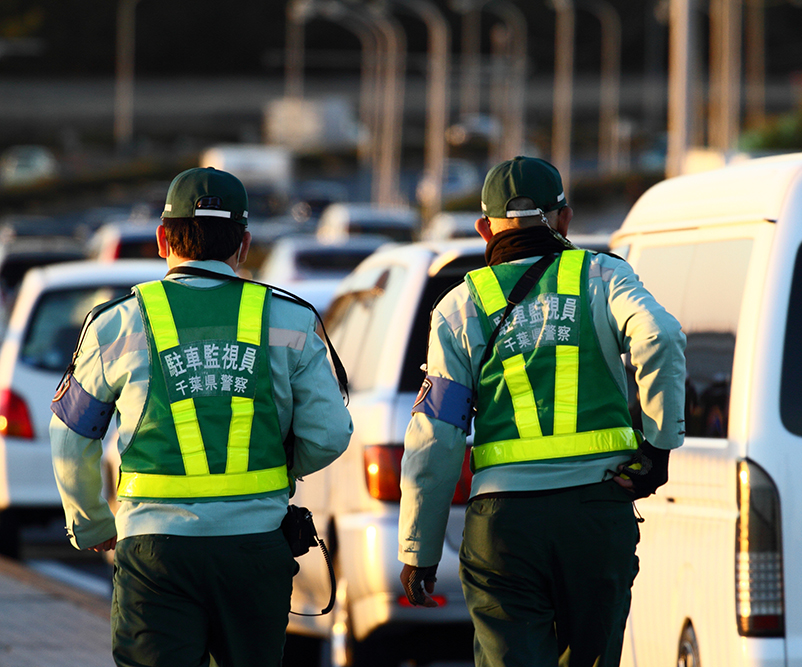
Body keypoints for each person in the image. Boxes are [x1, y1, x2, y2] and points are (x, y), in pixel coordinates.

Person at [50, 166, 353, 667]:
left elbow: (71, 436)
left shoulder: (117, 323)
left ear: (162, 238)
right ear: (245, 243)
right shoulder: (290, 320)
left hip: (154, 552)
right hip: (255, 548)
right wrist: (275, 470)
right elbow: (330, 433)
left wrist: (91, 521)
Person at [397, 156, 686, 667]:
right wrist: (658, 446)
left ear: (484, 227)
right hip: (596, 513)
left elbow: (435, 434)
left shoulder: (459, 306)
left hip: (504, 525)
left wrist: (418, 547)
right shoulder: (602, 274)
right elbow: (659, 335)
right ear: (564, 219)